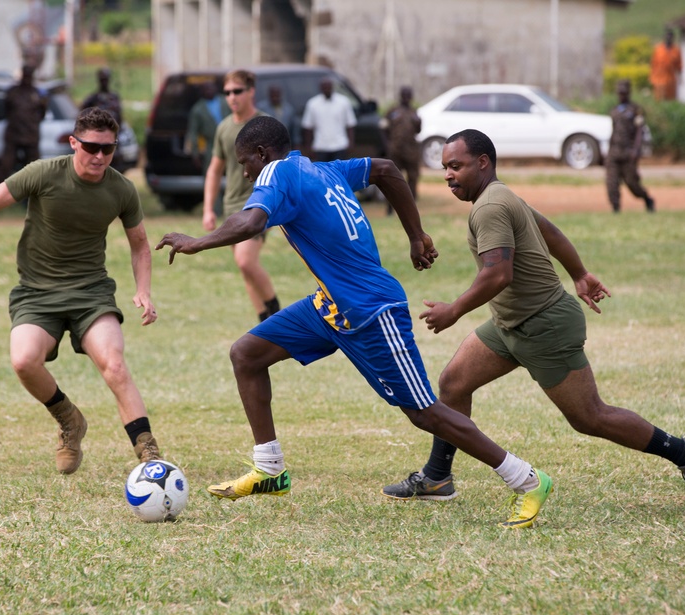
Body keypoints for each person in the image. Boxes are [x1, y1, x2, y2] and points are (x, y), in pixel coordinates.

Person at [156, 115, 556, 529]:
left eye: (245, 162)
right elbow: (384, 169)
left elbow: (252, 220)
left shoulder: (275, 171)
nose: (245, 172)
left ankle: (526, 479)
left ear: (262, 154)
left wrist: (196, 242)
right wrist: (415, 234)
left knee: (424, 412)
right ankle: (270, 469)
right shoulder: (322, 169)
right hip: (329, 306)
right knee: (247, 354)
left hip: (370, 309)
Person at [382, 128, 685, 512]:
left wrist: (453, 310)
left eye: (455, 166)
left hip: (545, 325)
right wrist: (580, 274)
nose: (447, 175)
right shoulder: (502, 195)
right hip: (509, 324)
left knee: (590, 417)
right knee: (453, 384)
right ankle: (437, 476)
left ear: (482, 162)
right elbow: (549, 231)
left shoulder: (490, 206)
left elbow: (497, 274)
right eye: (444, 168)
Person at [0, 107, 163, 474]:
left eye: (108, 149)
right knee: (23, 361)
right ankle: (69, 420)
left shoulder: (121, 189)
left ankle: (150, 456)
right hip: (37, 293)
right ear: (73, 142)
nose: (99, 157)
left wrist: (143, 290)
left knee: (113, 364)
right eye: (91, 147)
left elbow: (140, 244)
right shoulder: (44, 173)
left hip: (90, 294)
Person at [201, 69, 281, 323]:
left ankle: (276, 312)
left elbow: (281, 165)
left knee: (246, 261)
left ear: (251, 91)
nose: (232, 97)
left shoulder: (265, 124)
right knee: (243, 266)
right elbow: (215, 171)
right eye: (227, 93)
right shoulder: (224, 128)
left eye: (237, 91)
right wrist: (208, 209)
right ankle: (265, 322)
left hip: (259, 202)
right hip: (232, 206)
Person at [607, 79, 655, 214]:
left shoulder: (635, 110)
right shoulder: (614, 110)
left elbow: (640, 131)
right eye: (619, 93)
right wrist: (608, 152)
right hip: (614, 152)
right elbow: (613, 131)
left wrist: (636, 150)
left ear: (628, 92)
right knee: (611, 183)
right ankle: (615, 209)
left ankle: (647, 199)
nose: (621, 95)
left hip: (628, 153)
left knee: (633, 184)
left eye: (624, 93)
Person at [0, 64, 48, 179]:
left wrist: (33, 122)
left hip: (31, 135)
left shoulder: (37, 93)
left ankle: (34, 193)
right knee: (6, 165)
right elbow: (6, 110)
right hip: (14, 134)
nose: (27, 78)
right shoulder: (13, 92)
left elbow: (43, 112)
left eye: (29, 76)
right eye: (25, 75)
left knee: (34, 167)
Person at [382, 85, 422, 214]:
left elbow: (418, 130)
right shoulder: (392, 111)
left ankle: (411, 209)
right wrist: (387, 144)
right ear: (400, 96)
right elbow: (383, 128)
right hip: (395, 151)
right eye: (404, 95)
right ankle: (390, 208)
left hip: (411, 151)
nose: (406, 98)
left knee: (413, 178)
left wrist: (418, 122)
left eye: (408, 95)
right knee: (393, 179)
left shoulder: (414, 112)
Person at [301, 78, 356, 161]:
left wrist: (351, 143)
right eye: (324, 87)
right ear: (321, 88)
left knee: (338, 172)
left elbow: (350, 124)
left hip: (340, 145)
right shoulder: (313, 103)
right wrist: (308, 147)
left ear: (332, 87)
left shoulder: (343, 102)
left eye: (328, 87)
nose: (327, 90)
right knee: (322, 172)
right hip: (320, 146)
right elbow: (308, 127)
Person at [185, 81, 226, 172]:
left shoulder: (226, 101)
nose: (209, 91)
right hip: (211, 144)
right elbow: (193, 132)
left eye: (211, 88)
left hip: (230, 141)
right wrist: (195, 153)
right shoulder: (198, 109)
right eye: (206, 89)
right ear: (202, 91)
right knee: (211, 171)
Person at [257, 85, 300, 149]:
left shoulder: (288, 109)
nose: (275, 98)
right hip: (266, 144)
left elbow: (294, 129)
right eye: (273, 96)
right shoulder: (261, 108)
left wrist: (297, 144)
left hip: (283, 144)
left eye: (277, 96)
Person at [650, 28, 682, 102]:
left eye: (670, 37)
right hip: (659, 80)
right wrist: (652, 78)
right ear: (664, 37)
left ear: (673, 38)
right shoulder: (658, 49)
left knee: (671, 100)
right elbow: (653, 64)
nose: (669, 38)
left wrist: (681, 78)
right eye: (667, 36)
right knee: (659, 100)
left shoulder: (676, 51)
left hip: (670, 80)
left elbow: (679, 66)